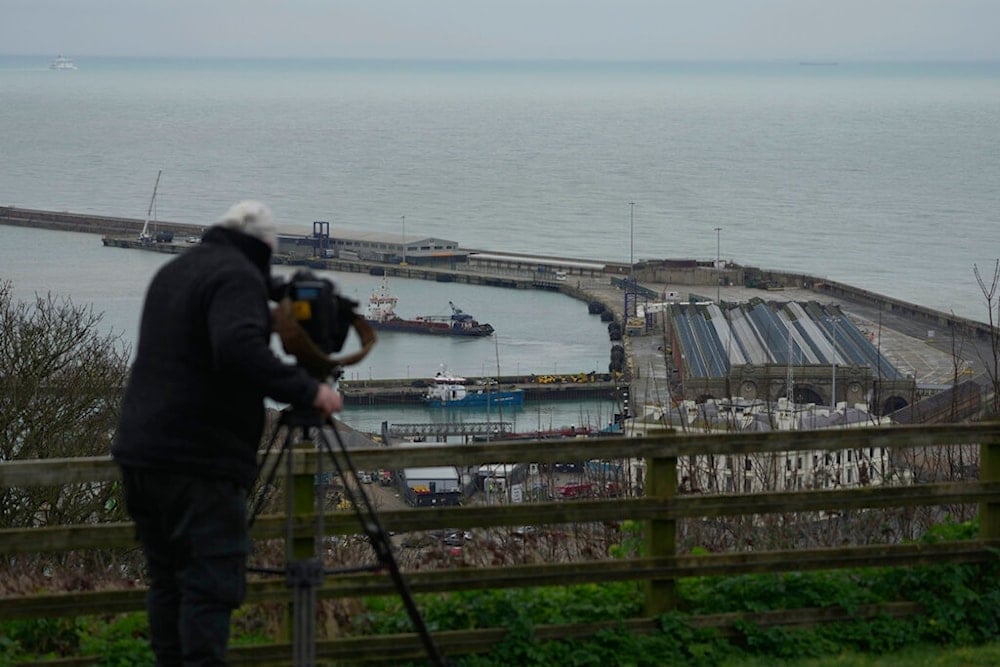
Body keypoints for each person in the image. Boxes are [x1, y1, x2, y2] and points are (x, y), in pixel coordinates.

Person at [112, 200, 342, 666]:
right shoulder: (237, 278)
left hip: (141, 455)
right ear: (263, 249)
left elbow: (219, 322)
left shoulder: (177, 272)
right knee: (210, 585)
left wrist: (276, 292)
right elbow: (237, 349)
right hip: (198, 461)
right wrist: (309, 392)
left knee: (169, 581)